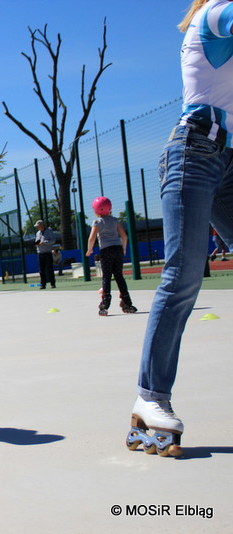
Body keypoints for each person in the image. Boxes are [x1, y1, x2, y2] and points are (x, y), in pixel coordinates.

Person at [126, 0, 233, 458]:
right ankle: (150, 398)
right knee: (185, 273)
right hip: (194, 152)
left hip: (225, 160)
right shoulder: (216, 13)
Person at [86, 197, 137, 316]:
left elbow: (91, 238)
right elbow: (124, 236)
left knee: (107, 277)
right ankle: (127, 303)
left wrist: (89, 249)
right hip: (118, 248)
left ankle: (105, 304)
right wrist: (123, 248)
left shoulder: (97, 222)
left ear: (96, 209)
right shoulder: (115, 220)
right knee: (119, 276)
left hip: (106, 250)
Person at [34, 220, 56, 289]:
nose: (37, 227)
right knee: (41, 270)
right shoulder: (38, 233)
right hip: (40, 253)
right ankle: (43, 284)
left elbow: (53, 240)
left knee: (50, 269)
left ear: (42, 225)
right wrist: (36, 244)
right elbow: (36, 241)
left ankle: (53, 283)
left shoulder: (49, 230)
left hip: (48, 252)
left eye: (38, 226)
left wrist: (44, 242)